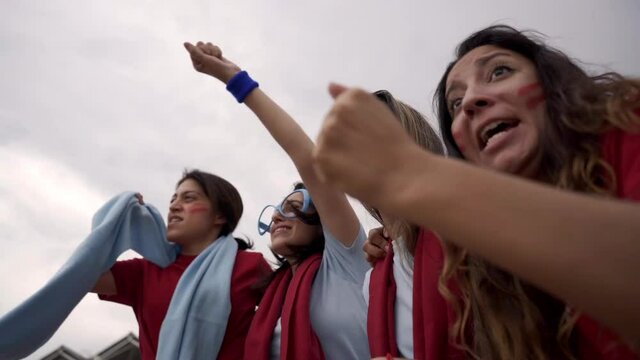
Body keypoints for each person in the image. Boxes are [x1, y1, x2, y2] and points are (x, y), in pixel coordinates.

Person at [313, 25, 640, 359]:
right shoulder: (486, 266)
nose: (470, 100)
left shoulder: (629, 123)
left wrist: (419, 177)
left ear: (552, 80)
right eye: (455, 103)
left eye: (500, 71)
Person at [183, 41, 442, 360]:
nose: (278, 217)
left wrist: (235, 79)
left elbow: (306, 158)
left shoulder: (350, 258)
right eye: (277, 210)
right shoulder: (375, 269)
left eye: (295, 208)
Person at [94, 169, 271, 360]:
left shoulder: (251, 266)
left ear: (220, 215)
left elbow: (289, 320)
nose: (174, 206)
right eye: (173, 200)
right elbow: (82, 277)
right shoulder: (147, 269)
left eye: (188, 198)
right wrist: (117, 220)